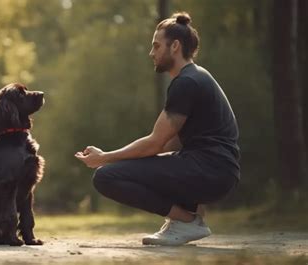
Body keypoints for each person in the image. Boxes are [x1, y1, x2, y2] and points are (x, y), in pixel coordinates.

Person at [75, 12, 240, 246]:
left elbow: (155, 143)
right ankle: (185, 221)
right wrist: (135, 164)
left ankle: (186, 221)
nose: (151, 53)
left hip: (210, 170)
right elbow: (168, 145)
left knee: (106, 176)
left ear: (175, 46)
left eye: (156, 46)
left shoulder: (186, 82)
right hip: (217, 171)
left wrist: (105, 158)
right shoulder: (195, 77)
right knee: (137, 167)